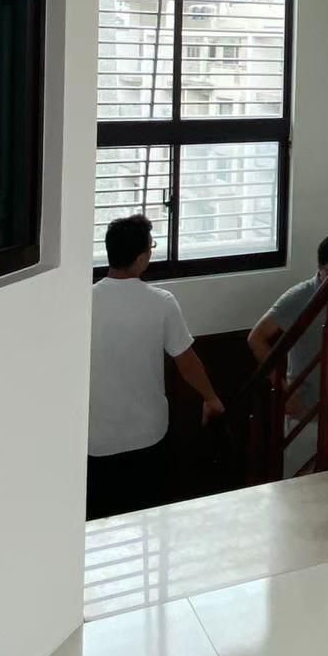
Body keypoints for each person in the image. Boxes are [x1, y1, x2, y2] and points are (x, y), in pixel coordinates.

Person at [87, 214, 225, 520]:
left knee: (97, 524)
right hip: (148, 435)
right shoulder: (161, 302)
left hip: (96, 438)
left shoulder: (83, 302)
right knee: (149, 519)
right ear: (141, 258)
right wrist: (211, 397)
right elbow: (187, 362)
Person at [247, 234, 328, 470]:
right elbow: (256, 338)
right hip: (305, 411)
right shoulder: (299, 297)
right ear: (320, 268)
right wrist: (284, 390)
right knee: (297, 485)